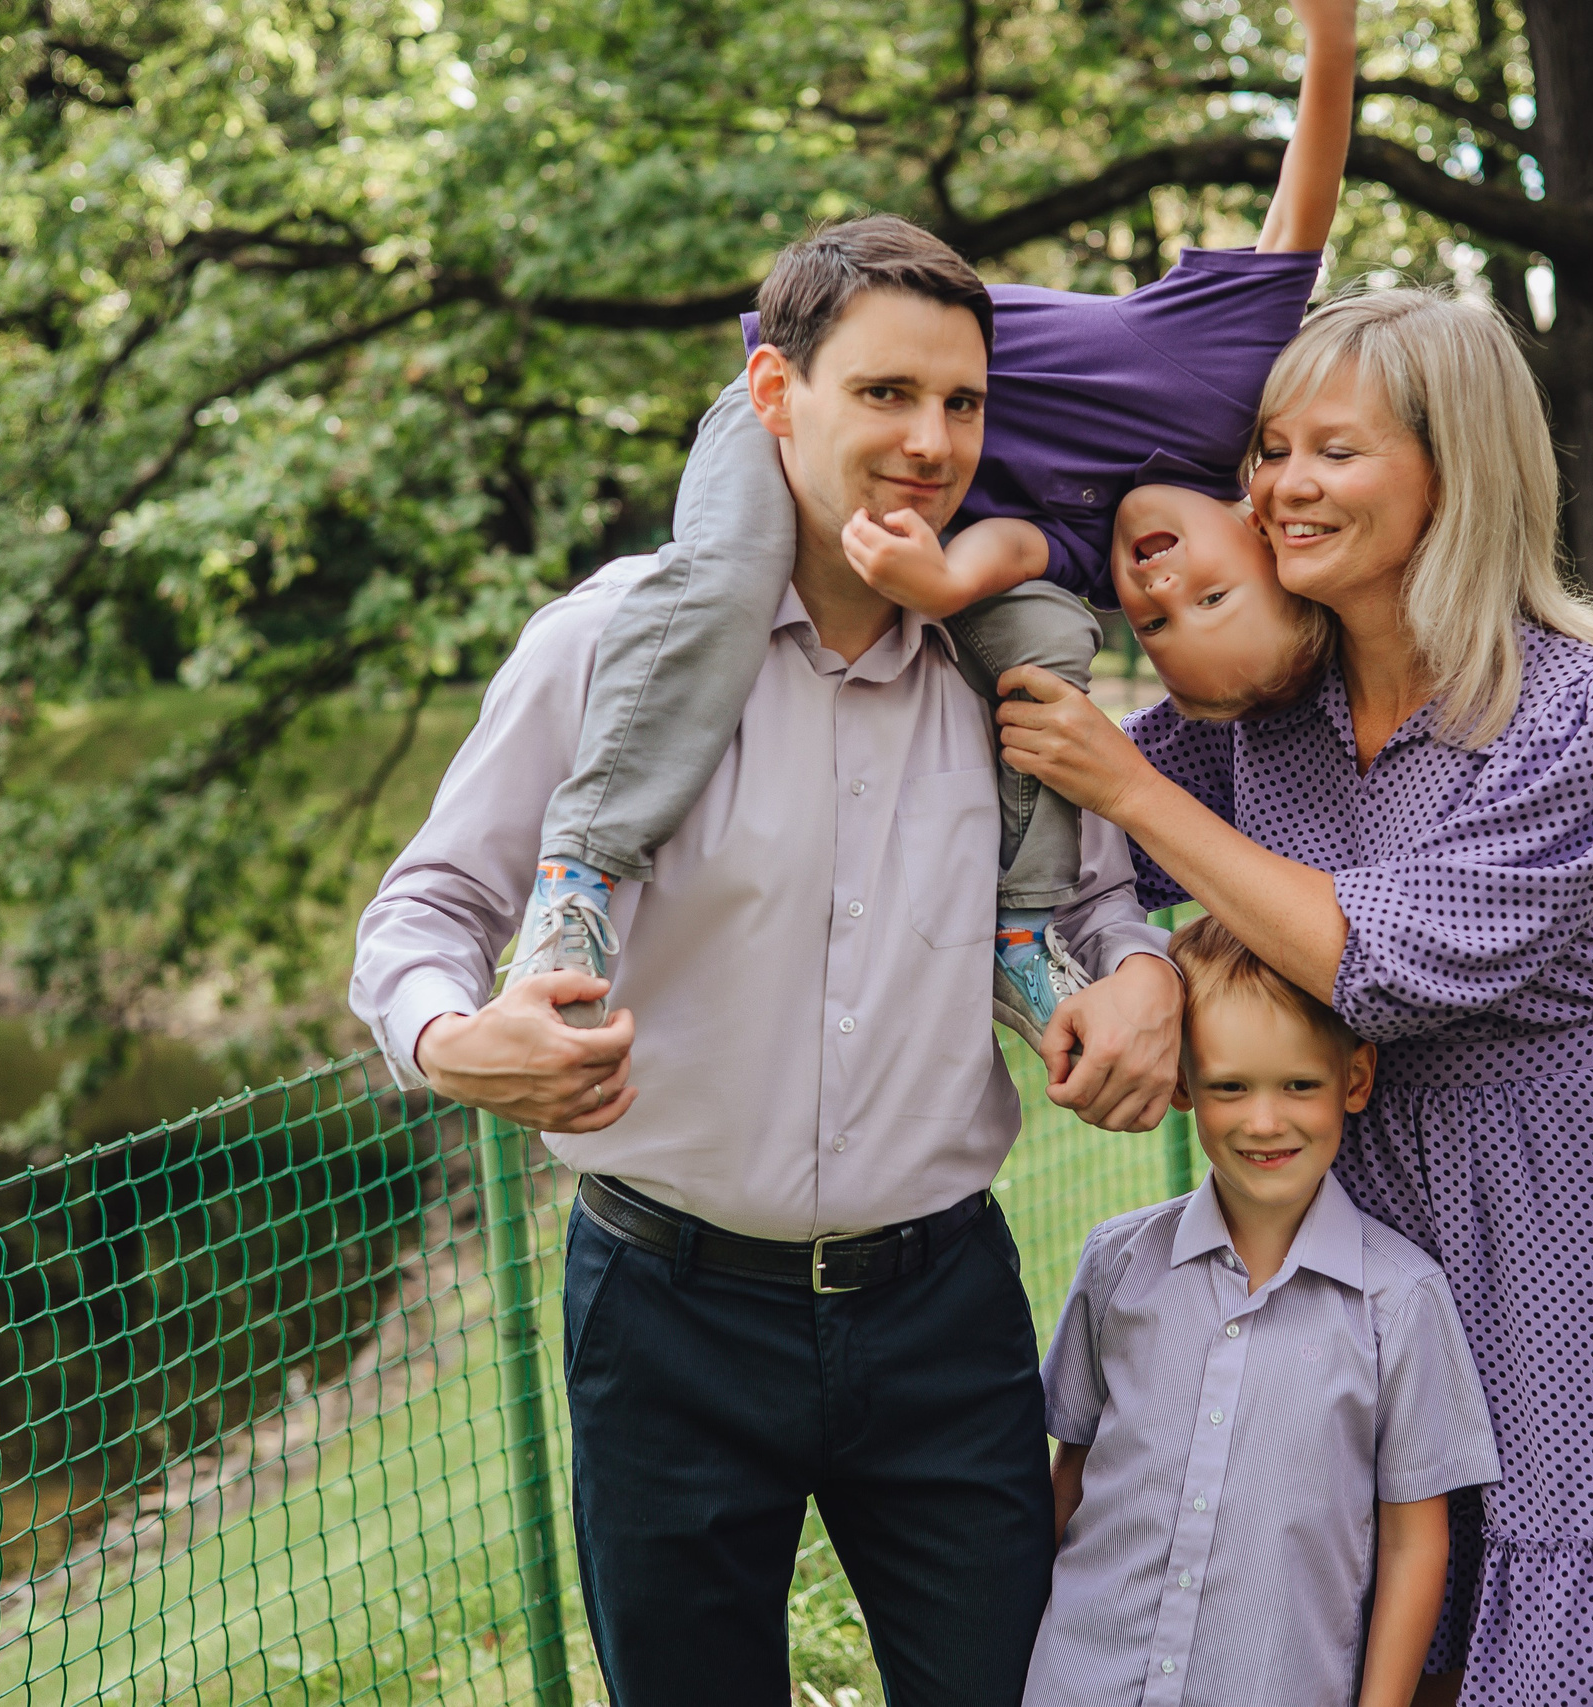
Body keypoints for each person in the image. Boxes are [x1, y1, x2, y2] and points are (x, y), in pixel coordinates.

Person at [349, 219, 1187, 1706]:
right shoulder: (607, 643)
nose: (932, 441)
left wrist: (1137, 985)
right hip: (664, 1314)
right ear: (774, 391)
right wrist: (444, 1038)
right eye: (885, 394)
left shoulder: (1014, 681)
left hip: (943, 1312)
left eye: (963, 403)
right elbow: (424, 908)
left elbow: (1098, 917)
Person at [994, 288, 1593, 1704]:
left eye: (1335, 452)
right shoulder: (1261, 716)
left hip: (1552, 1193)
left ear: (1456, 467)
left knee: (1548, 1582)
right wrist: (1128, 973)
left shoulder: (1581, 704)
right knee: (1359, 1579)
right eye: (1272, 450)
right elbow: (1068, 858)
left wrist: (1126, 786)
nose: (1284, 486)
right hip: (1335, 1179)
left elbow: (1406, 959)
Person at [515, 0, 1360, 1050]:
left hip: (915, 504)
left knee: (1050, 642)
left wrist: (943, 587)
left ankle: (1020, 929)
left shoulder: (1108, 566)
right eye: (1214, 594)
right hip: (811, 404)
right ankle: (581, 870)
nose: (1159, 592)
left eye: (1165, 624)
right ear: (1263, 536)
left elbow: (1004, 556)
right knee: (729, 580)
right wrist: (1331, 40)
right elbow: (1301, 217)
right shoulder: (1220, 379)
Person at [1026, 916, 1500, 1707]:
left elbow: (1418, 1539)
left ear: (1354, 1079)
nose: (1264, 1120)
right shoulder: (1117, 1265)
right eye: (1230, 1086)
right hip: (1083, 1682)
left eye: (1299, 1085)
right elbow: (1068, 1481)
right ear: (1182, 1084)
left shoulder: (1401, 1300)